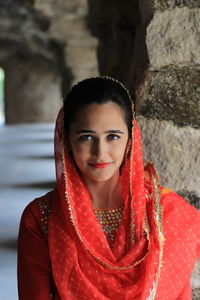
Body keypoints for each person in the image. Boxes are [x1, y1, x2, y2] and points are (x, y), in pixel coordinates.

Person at [17, 76, 200, 300]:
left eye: (113, 136)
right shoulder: (42, 217)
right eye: (86, 137)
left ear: (130, 139)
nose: (100, 152)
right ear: (67, 141)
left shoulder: (170, 214)